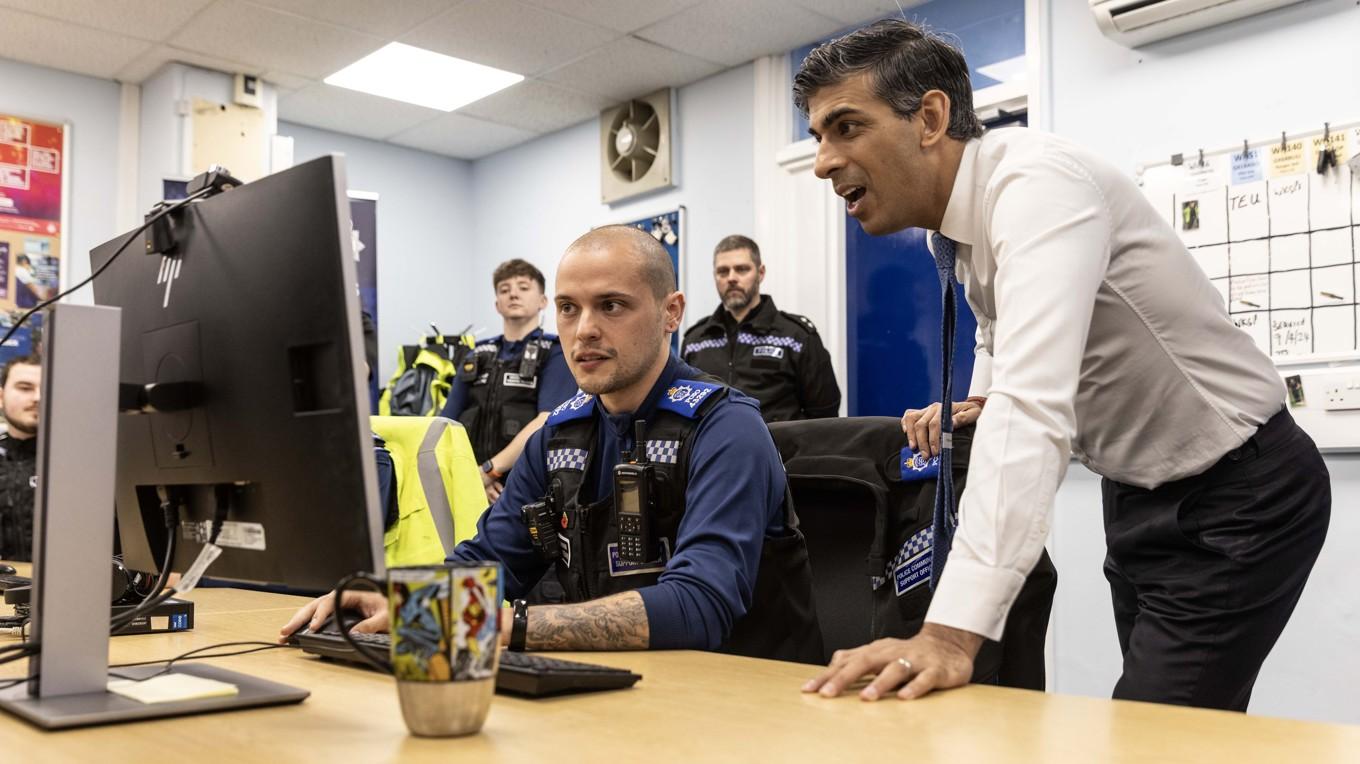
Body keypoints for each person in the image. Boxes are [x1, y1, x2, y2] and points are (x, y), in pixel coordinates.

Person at [795, 19, 1329, 710]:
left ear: (930, 117)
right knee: (1174, 724)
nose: (822, 162)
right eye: (817, 138)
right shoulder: (961, 225)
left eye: (845, 127)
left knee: (1157, 733)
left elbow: (1035, 410)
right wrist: (978, 399)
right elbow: (999, 329)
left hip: (1241, 490)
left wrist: (952, 635)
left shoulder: (1039, 187)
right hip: (1139, 492)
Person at [282, 226, 821, 661]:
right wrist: (401, 600)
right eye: (568, 307)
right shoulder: (559, 434)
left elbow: (700, 606)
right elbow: (491, 563)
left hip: (741, 708)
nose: (583, 329)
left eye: (611, 305)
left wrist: (500, 626)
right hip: (614, 695)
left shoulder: (726, 428)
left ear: (671, 312)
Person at [439, 259, 576, 503]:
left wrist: (490, 470)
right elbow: (444, 424)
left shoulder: (556, 352)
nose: (513, 293)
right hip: (467, 480)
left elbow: (547, 420)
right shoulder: (476, 354)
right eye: (504, 289)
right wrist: (470, 475)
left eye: (523, 287)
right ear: (497, 305)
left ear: (543, 301)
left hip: (523, 486)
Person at [681, 235, 840, 422]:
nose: (731, 278)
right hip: (712, 451)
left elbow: (824, 417)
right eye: (723, 271)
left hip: (780, 450)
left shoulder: (796, 336)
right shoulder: (696, 340)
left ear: (760, 273)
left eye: (742, 269)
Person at [0, 354, 40, 561]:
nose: (38, 397)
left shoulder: (84, 463)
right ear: (1, 397)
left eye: (48, 388)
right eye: (25, 388)